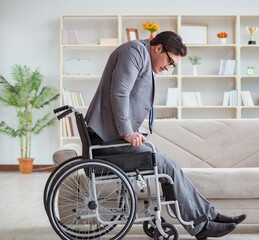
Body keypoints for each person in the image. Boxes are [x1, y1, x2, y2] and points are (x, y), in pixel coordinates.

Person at [85, 31, 246, 239]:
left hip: (111, 136)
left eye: (173, 65)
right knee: (167, 165)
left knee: (170, 164)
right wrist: (127, 132)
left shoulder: (143, 55)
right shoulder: (134, 51)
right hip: (107, 139)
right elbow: (120, 93)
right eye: (170, 61)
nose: (168, 67)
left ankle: (209, 215)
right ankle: (200, 226)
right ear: (157, 47)